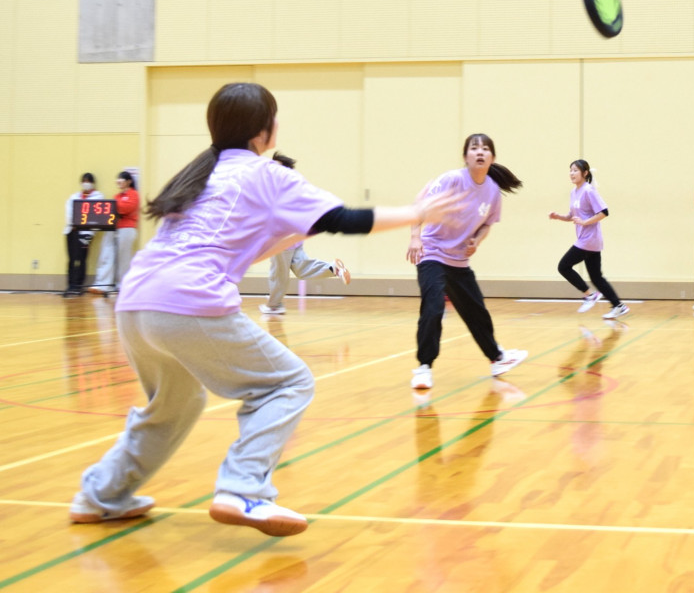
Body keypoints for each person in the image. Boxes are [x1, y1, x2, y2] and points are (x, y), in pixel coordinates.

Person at [68, 82, 461, 537]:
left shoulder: (198, 174)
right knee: (288, 383)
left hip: (135, 303)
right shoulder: (266, 173)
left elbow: (240, 248)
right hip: (188, 301)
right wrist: (418, 213)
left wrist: (295, 234)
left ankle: (100, 495)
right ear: (263, 130)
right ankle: (242, 487)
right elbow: (346, 220)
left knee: (175, 403)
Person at [406, 133, 529, 391]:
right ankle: (424, 367)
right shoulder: (452, 179)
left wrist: (477, 240)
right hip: (432, 253)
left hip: (459, 260)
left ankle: (497, 359)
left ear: (492, 157)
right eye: (474, 148)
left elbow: (487, 224)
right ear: (465, 156)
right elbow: (420, 206)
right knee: (433, 307)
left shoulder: (492, 191)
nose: (480, 152)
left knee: (476, 311)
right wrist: (415, 237)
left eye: (485, 149)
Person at [259, 152, 351, 316]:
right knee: (301, 269)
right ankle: (333, 268)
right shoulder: (294, 186)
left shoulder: (280, 188)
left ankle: (274, 305)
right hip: (295, 238)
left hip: (281, 239)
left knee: (278, 274)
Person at [549, 159, 629, 319]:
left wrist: (585, 222)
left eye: (575, 170)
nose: (571, 173)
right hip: (588, 240)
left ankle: (590, 295)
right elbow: (573, 216)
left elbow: (604, 212)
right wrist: (559, 217)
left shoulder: (589, 190)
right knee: (596, 277)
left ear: (585, 173)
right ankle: (618, 306)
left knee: (563, 266)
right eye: (570, 170)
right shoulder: (574, 192)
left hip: (589, 239)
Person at [90, 171, 141, 295]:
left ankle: (122, 285)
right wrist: (115, 206)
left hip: (127, 229)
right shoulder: (116, 196)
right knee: (106, 254)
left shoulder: (133, 194)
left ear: (129, 181)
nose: (119, 181)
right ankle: (103, 284)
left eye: (121, 179)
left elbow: (127, 208)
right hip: (113, 228)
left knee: (123, 258)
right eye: (118, 179)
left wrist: (115, 206)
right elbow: (112, 209)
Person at [63, 173, 103, 297]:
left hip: (86, 233)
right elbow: (69, 212)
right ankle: (71, 285)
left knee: (81, 259)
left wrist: (86, 228)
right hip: (72, 231)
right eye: (84, 181)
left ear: (93, 183)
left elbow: (96, 217)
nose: (86, 183)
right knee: (72, 259)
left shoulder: (98, 197)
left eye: (88, 181)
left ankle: (78, 285)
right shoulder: (74, 197)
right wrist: (74, 223)